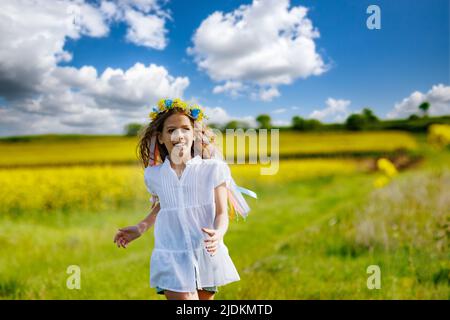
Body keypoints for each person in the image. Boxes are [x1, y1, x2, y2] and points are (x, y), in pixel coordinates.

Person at [113, 98, 256, 300]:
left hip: (206, 251)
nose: (179, 135)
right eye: (171, 130)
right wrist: (140, 227)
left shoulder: (213, 169)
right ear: (160, 138)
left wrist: (218, 233)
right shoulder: (153, 175)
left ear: (194, 133)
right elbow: (163, 205)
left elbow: (222, 212)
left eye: (185, 129)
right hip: (172, 252)